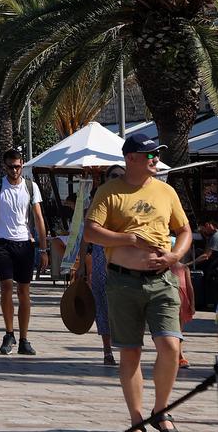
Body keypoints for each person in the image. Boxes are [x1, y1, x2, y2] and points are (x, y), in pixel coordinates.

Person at [85, 133, 192, 431]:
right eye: (149, 155)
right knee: (131, 351)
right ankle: (137, 417)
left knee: (170, 345)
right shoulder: (109, 192)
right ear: (131, 158)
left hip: (161, 280)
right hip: (122, 283)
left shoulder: (166, 191)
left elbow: (184, 230)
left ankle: (161, 411)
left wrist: (174, 257)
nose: (155, 159)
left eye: (156, 155)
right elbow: (91, 233)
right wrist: (130, 238)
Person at [0, 148, 48, 355]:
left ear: (22, 165)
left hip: (24, 244)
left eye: (18, 166)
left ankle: (24, 338)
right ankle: (9, 332)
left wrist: (44, 248)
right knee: (6, 287)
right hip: (2, 242)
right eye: (11, 167)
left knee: (24, 292)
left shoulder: (31, 187)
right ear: (5, 166)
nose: (15, 170)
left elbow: (38, 218)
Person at [78, 163, 127, 367]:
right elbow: (85, 237)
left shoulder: (130, 200)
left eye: (121, 175)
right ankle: (107, 350)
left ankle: (127, 349)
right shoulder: (97, 202)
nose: (117, 178)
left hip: (125, 258)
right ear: (106, 179)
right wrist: (81, 265)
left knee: (125, 305)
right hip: (100, 257)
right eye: (113, 175)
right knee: (102, 305)